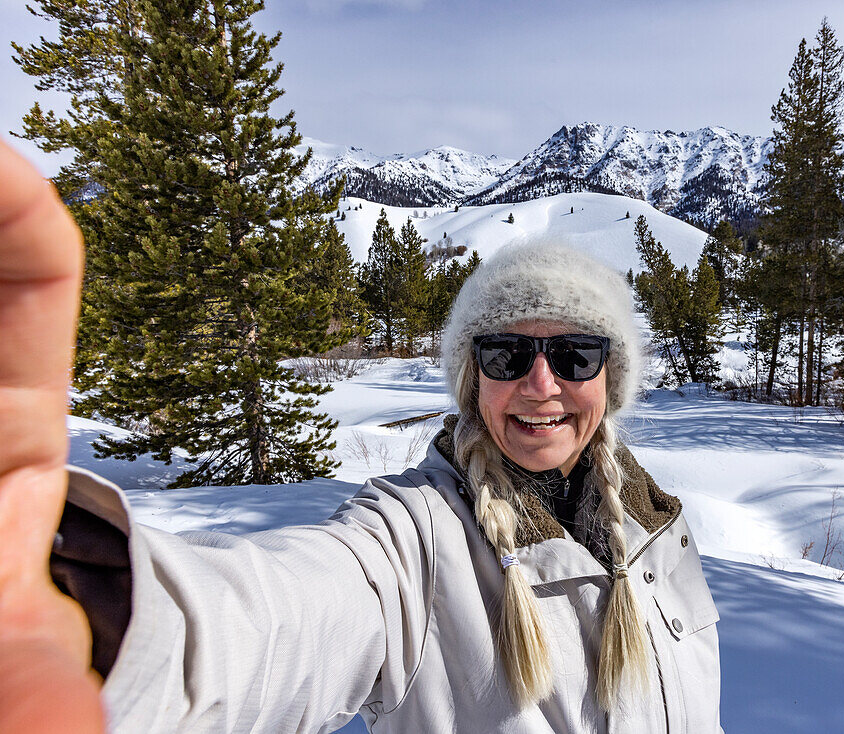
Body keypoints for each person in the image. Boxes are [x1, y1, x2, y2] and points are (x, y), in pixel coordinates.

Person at [0, 138, 721, 733]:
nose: (540, 385)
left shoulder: (659, 534)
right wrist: (91, 602)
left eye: (574, 356)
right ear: (473, 379)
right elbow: (277, 620)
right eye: (506, 355)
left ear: (609, 379)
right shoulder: (415, 544)